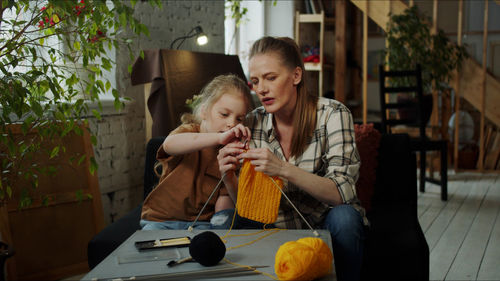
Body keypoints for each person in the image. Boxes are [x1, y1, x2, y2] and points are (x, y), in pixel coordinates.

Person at [217, 37, 367, 281]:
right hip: (272, 224)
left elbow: (342, 193)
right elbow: (248, 207)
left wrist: (282, 168)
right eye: (255, 81)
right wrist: (229, 178)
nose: (261, 89)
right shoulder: (251, 122)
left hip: (323, 221)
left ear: (296, 76)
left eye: (270, 77)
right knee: (224, 220)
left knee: (346, 217)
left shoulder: (333, 114)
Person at [140, 74, 252, 230]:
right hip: (161, 220)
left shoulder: (230, 153)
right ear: (204, 111)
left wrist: (222, 223)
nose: (231, 124)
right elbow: (169, 144)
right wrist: (219, 138)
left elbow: (224, 200)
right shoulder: (190, 131)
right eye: (224, 114)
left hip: (202, 224)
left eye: (239, 119)